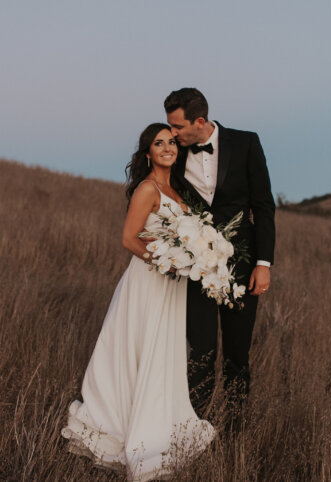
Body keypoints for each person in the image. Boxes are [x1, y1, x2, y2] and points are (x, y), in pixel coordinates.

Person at [61, 123, 215, 482]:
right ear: (148, 152)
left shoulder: (176, 190)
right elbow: (129, 239)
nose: (167, 148)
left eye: (172, 142)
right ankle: (124, 423)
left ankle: (160, 413)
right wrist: (166, 261)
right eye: (159, 143)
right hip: (148, 282)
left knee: (162, 352)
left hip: (172, 287)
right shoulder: (147, 189)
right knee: (138, 348)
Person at [164, 88, 276, 416]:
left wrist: (263, 263)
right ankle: (198, 426)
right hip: (195, 266)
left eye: (178, 127)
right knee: (200, 351)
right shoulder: (176, 152)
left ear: (200, 122)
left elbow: (264, 206)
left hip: (242, 265)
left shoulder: (247, 143)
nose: (172, 134)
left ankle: (234, 425)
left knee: (237, 353)